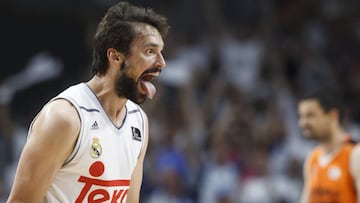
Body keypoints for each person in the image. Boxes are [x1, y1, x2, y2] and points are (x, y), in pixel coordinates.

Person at [7, 1, 169, 202]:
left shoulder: (139, 121)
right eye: (150, 52)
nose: (161, 62)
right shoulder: (65, 118)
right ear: (115, 56)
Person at [298, 86, 360, 203]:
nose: (303, 123)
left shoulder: (355, 155)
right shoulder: (312, 159)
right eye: (301, 116)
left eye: (310, 116)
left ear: (332, 116)